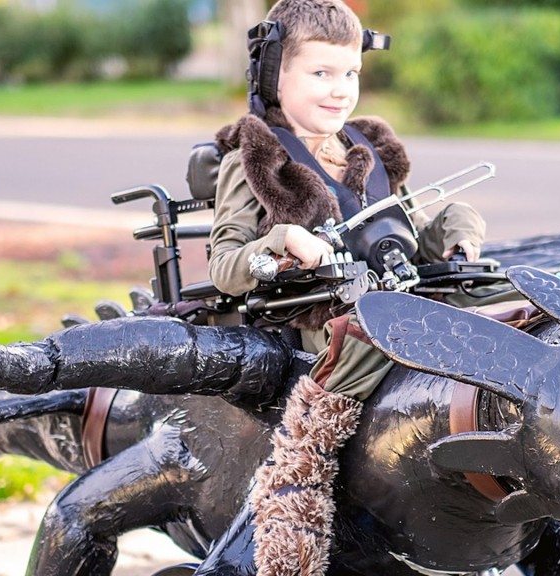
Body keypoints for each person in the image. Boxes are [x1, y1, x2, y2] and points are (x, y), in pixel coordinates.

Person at [202, 1, 488, 574]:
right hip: (319, 325)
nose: (340, 91)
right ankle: (297, 492)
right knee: (366, 346)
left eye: (351, 73)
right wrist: (281, 240)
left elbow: (406, 236)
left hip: (398, 302)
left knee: (500, 317)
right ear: (274, 75)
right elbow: (225, 265)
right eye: (321, 73)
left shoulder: (369, 151)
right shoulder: (255, 158)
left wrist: (457, 231)